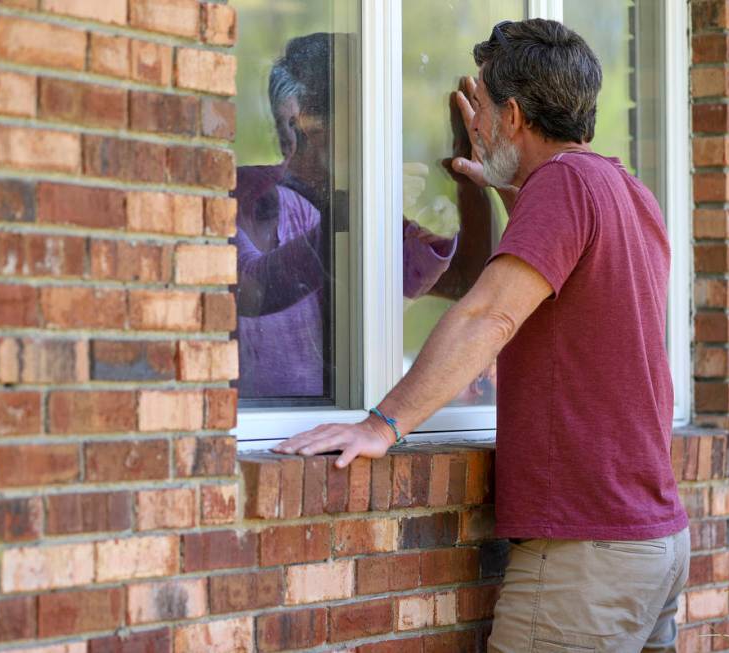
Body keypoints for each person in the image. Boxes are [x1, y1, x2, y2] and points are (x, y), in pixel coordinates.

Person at [274, 18, 689, 653]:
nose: (482, 125)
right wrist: (499, 189)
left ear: (515, 115)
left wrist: (381, 425)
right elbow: (554, 289)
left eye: (487, 110)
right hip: (652, 544)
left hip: (587, 557)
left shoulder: (564, 185)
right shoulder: (627, 191)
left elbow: (489, 315)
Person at [235, 33, 465, 400]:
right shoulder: (246, 192)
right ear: (298, 124)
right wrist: (347, 215)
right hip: (262, 421)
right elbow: (252, 289)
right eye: (358, 119)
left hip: (339, 417)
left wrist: (434, 234)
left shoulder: (355, 198)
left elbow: (403, 281)